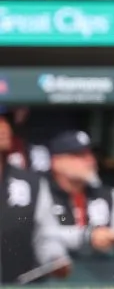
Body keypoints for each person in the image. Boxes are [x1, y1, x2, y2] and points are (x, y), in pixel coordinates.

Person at [0, 110, 70, 284]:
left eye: (5, 122)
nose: (3, 128)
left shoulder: (31, 183)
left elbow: (46, 234)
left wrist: (55, 258)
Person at [47, 131, 114, 256]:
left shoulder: (110, 195)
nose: (90, 160)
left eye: (90, 154)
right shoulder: (42, 195)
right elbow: (42, 236)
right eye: (79, 155)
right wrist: (88, 236)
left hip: (103, 271)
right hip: (56, 272)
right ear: (56, 162)